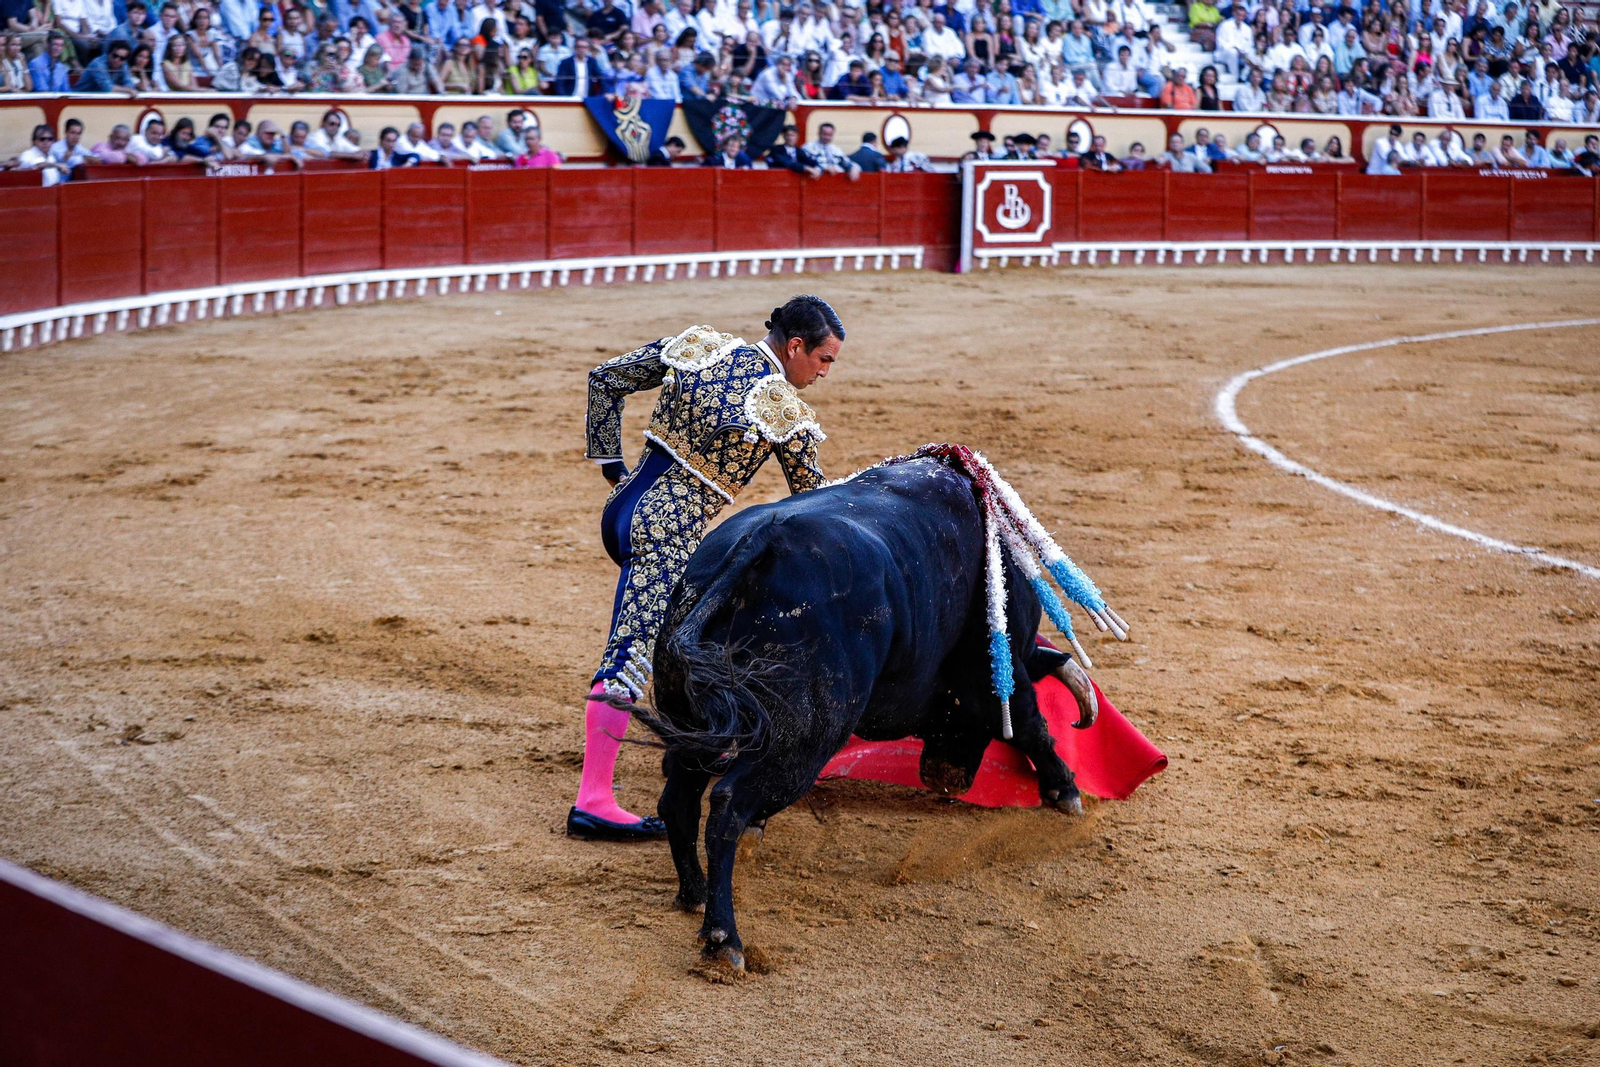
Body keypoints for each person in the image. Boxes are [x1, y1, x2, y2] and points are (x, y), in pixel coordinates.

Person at [572, 298, 844, 841]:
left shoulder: (702, 346)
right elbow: (812, 502)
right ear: (795, 347)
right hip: (664, 536)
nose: (824, 372)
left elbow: (605, 380)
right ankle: (593, 801)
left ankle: (704, 739)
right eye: (824, 359)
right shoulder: (781, 409)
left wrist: (612, 465)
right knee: (629, 656)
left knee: (701, 622)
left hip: (623, 509)